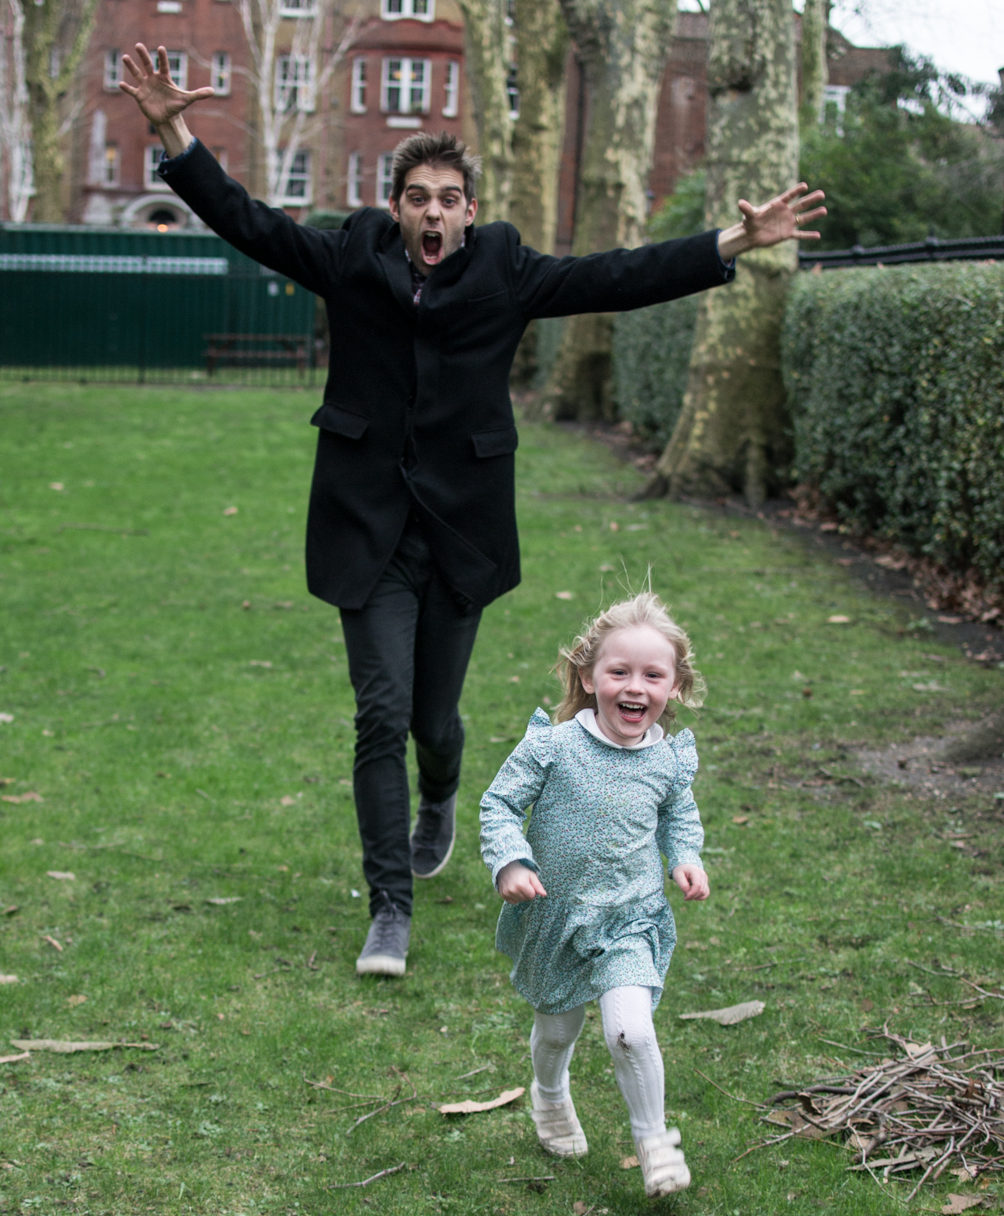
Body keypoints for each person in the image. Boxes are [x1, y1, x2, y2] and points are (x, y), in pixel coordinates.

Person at [119, 43, 823, 979]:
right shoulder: (350, 257)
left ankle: (441, 795)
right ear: (400, 208)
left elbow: (616, 274)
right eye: (419, 198)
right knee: (379, 713)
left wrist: (731, 241)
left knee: (432, 719)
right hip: (365, 524)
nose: (434, 212)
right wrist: (173, 130)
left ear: (469, 211)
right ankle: (389, 910)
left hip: (460, 531)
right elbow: (251, 222)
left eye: (450, 197)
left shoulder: (507, 272)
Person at [479, 592, 709, 1198]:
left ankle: (656, 1143)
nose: (635, 687)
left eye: (653, 675)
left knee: (629, 1032)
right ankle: (550, 1095)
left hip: (629, 920)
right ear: (588, 676)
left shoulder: (667, 760)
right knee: (558, 1030)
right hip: (554, 916)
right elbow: (499, 803)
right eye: (619, 672)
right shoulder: (553, 746)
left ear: (675, 687)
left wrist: (685, 857)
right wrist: (510, 860)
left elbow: (678, 817)